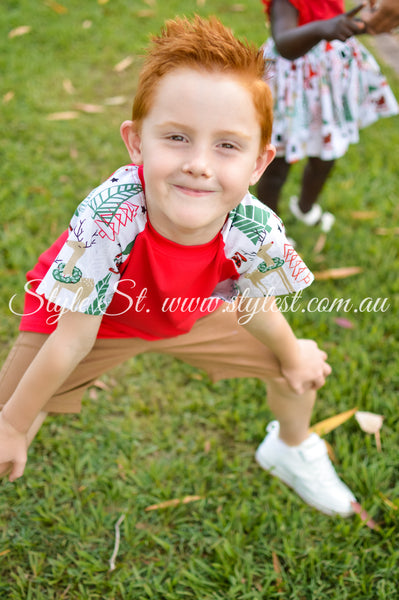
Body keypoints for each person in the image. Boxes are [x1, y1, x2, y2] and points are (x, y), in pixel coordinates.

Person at [0, 15, 356, 517]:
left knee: (296, 367)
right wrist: (15, 424)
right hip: (88, 317)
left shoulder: (256, 228)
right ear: (137, 142)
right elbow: (73, 338)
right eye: (177, 138)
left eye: (227, 145)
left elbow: (256, 310)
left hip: (191, 309)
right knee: (11, 415)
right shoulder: (110, 215)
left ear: (258, 164)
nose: (200, 164)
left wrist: (294, 353)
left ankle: (291, 448)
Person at [257, 0, 398, 232]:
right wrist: (323, 29)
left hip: (327, 87)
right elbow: (285, 43)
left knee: (325, 157)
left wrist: (364, 25)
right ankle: (270, 230)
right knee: (275, 166)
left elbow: (336, 25)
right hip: (292, 90)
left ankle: (305, 207)